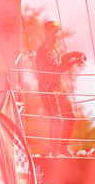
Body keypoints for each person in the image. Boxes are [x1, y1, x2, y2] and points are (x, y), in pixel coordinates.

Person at [35, 20, 86, 156]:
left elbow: (59, 60)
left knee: (71, 116)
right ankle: (54, 152)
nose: (56, 34)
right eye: (53, 32)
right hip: (48, 88)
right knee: (57, 119)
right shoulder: (45, 48)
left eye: (57, 31)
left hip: (59, 86)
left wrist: (74, 54)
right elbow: (56, 69)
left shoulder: (55, 45)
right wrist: (74, 62)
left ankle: (63, 148)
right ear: (46, 33)